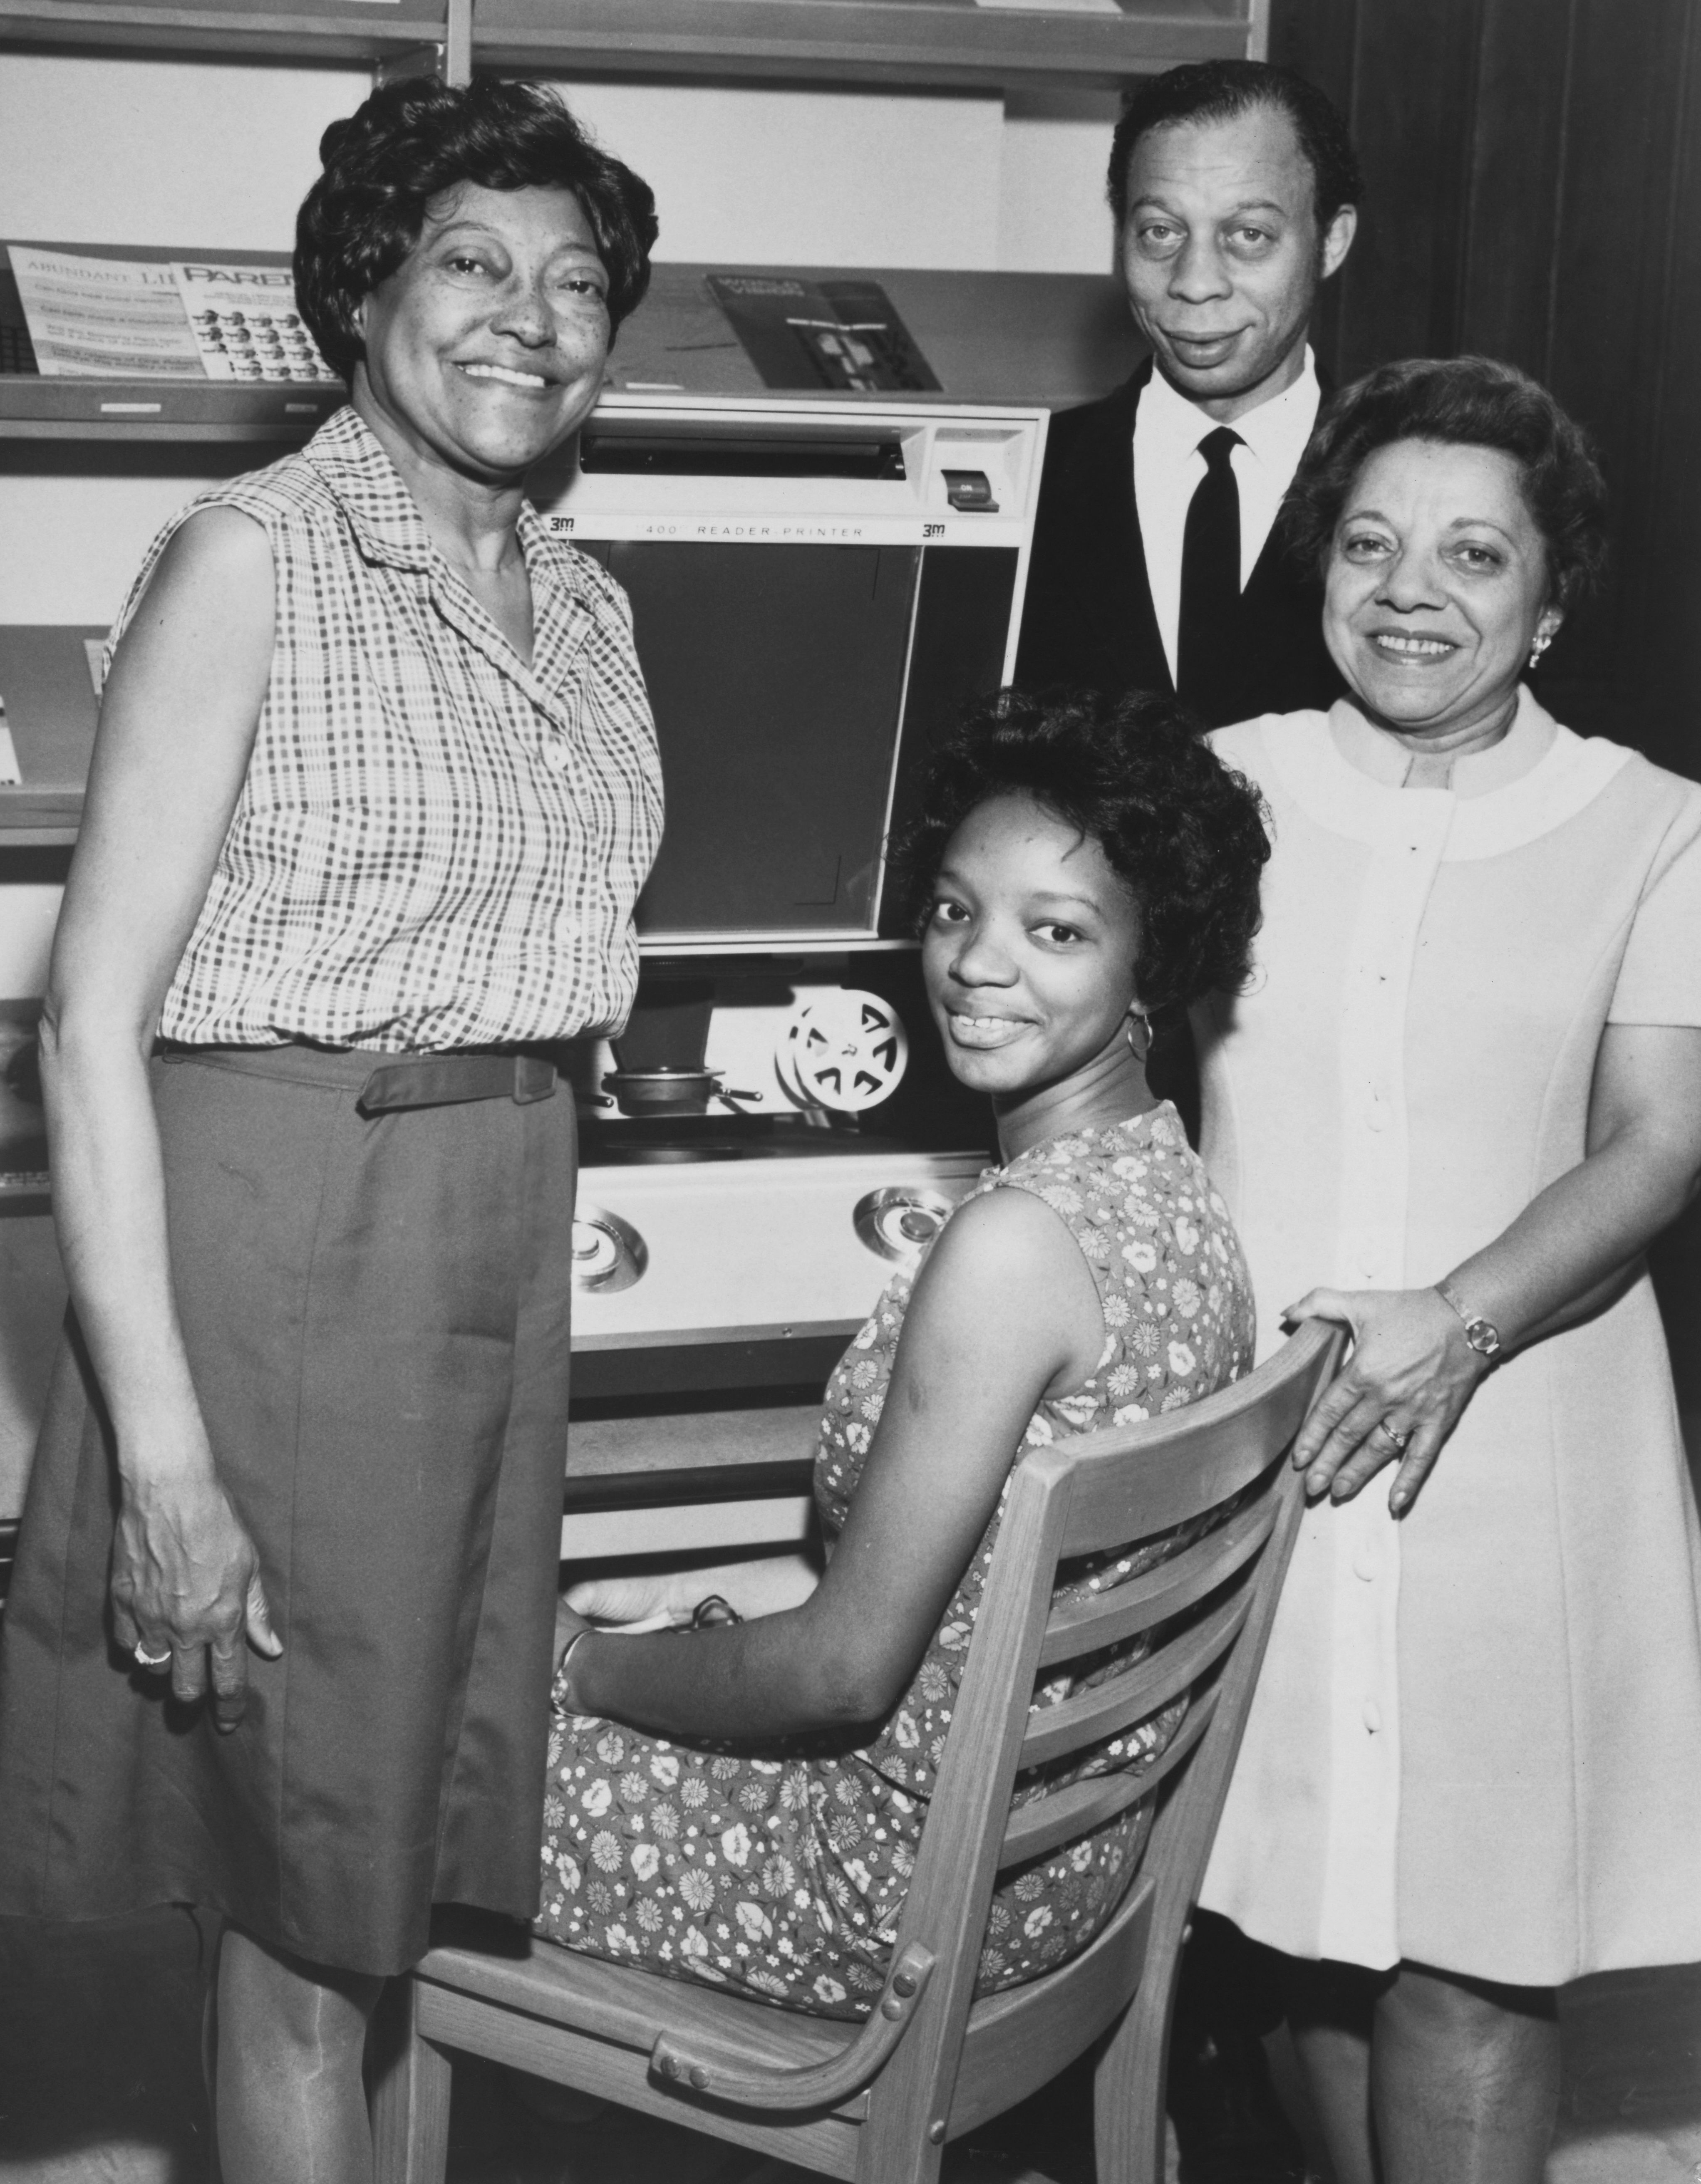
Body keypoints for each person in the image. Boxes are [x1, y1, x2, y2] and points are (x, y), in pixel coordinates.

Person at [0, 77, 662, 2184]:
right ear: (364, 294)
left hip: (480, 1245)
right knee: (304, 1936)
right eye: (472, 264)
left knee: (382, 1903)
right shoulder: (253, 557)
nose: (528, 321)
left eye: (577, 285)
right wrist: (165, 1458)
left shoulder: (588, 601)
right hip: (289, 1254)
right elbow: (88, 1020)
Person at [533, 689, 1269, 2017]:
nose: (979, 964)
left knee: (385, 1785)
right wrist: (685, 1600)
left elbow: (843, 1672)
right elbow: (968, 1594)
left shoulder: (1016, 1244)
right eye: (951, 911)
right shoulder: (1176, 1197)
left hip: (889, 1886)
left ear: (1154, 964)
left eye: (1055, 931)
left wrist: (579, 1671)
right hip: (1052, 1860)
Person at [1193, 354, 1701, 2184]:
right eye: (1371, 544)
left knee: (1476, 1963)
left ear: (1549, 604)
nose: (1409, 591)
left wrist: (1451, 1319)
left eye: (1472, 557)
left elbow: (1655, 1140)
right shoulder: (1214, 790)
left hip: (1514, 1453)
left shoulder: (1653, 825)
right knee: (1294, 1938)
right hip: (1261, 1450)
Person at [1015, 59, 1360, 729]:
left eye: (1250, 236)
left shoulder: (1401, 488)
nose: (1196, 282)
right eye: (1161, 234)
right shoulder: (1024, 479)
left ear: (1332, 240)